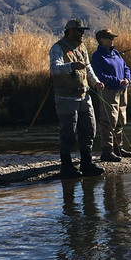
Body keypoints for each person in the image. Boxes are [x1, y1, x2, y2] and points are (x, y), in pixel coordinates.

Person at [49, 18, 105, 178]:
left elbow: (88, 68)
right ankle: (66, 166)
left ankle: (86, 164)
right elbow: (54, 69)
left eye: (83, 31)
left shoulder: (82, 47)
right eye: (80, 31)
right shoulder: (57, 48)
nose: (82, 34)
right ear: (70, 31)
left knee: (89, 129)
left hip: (84, 96)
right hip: (65, 98)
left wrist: (96, 83)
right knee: (68, 132)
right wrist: (72, 66)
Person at [90, 28, 131, 162]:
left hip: (121, 90)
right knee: (108, 120)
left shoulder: (116, 53)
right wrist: (117, 81)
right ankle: (107, 151)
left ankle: (118, 148)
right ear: (102, 40)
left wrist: (127, 79)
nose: (112, 40)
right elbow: (99, 75)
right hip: (108, 91)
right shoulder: (97, 56)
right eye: (110, 38)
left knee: (120, 119)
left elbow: (126, 68)